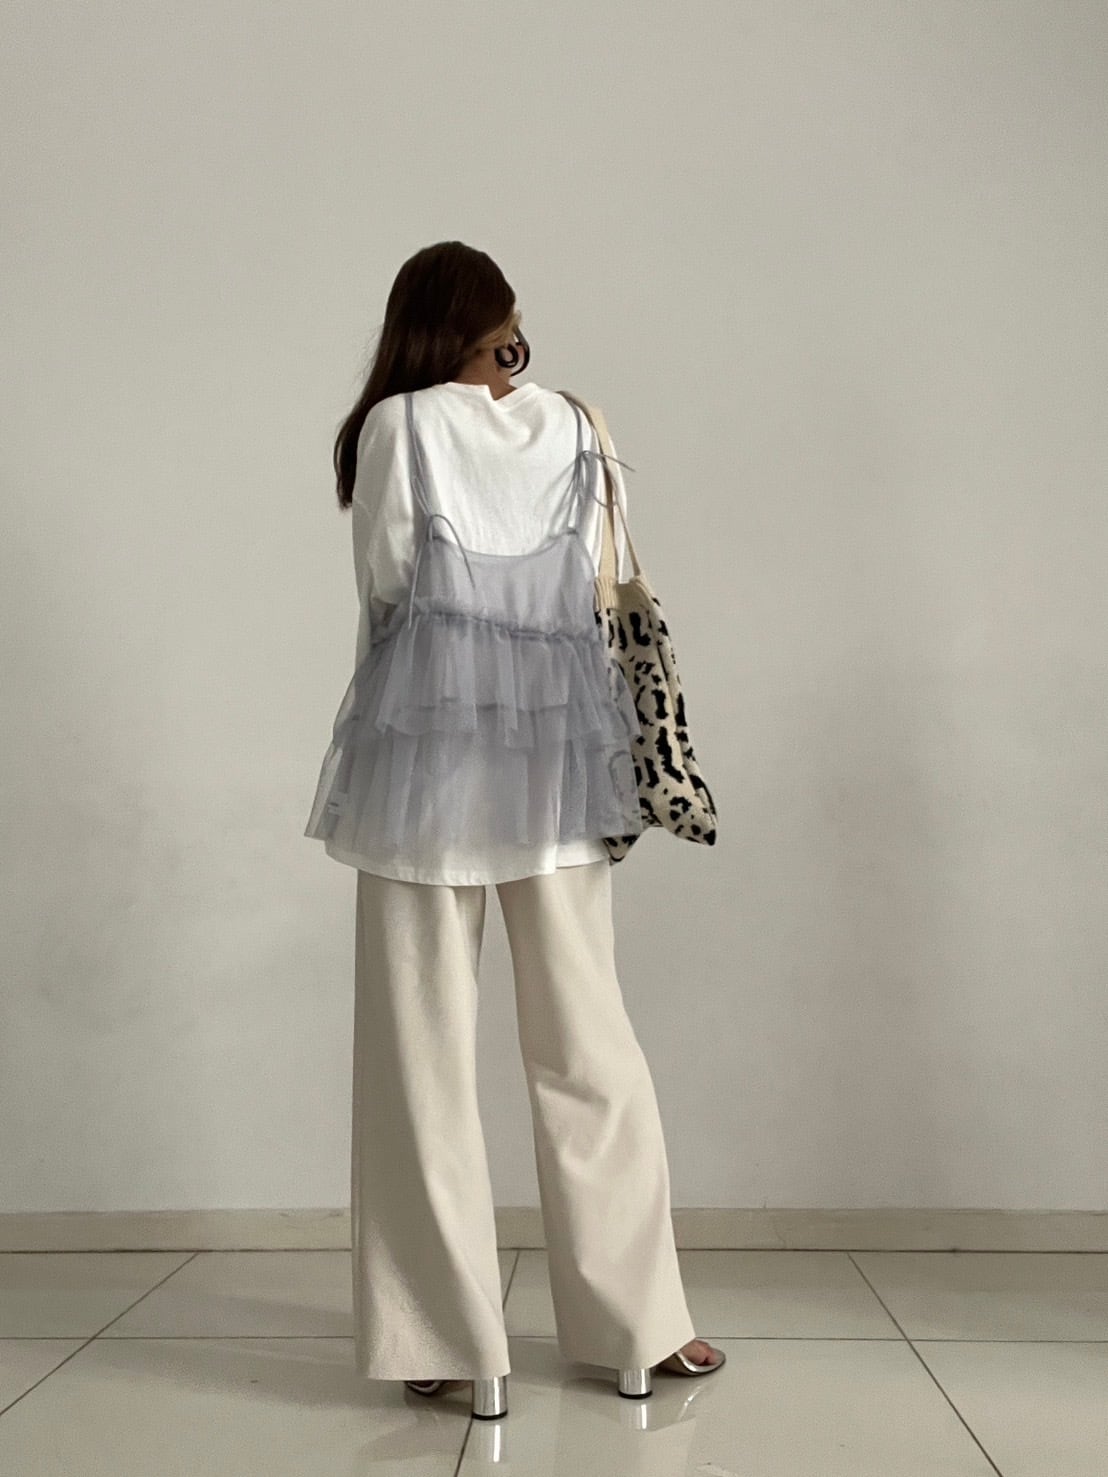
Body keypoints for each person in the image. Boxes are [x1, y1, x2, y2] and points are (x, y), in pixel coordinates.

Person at [304, 241, 723, 1420]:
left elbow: (390, 586)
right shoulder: (578, 423)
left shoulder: (396, 427)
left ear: (414, 329)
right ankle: (637, 1329)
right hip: (557, 768)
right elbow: (600, 578)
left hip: (422, 770)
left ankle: (446, 1340)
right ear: (501, 325)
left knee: (421, 1059)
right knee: (589, 1047)